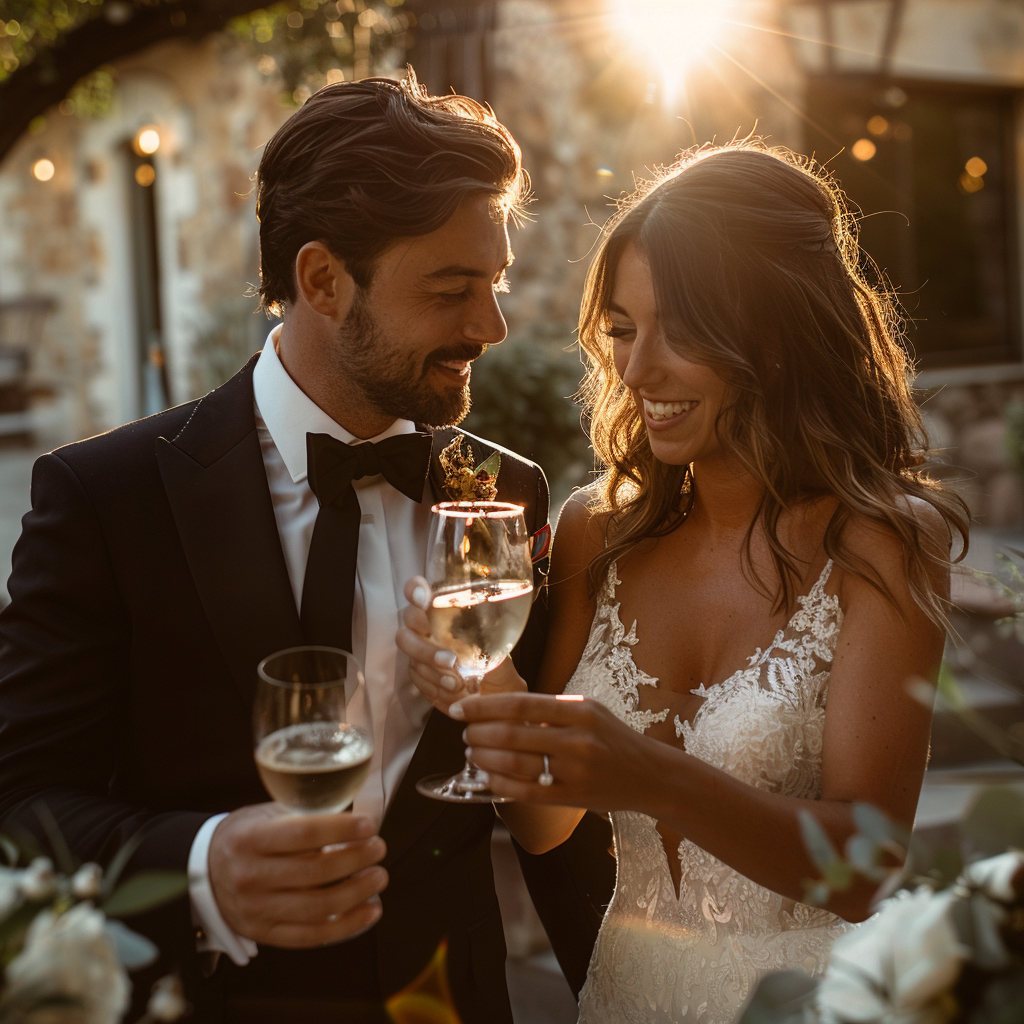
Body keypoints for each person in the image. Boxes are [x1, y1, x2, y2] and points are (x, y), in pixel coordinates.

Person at [0, 73, 610, 1024]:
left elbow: (547, 811)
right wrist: (200, 866)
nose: (489, 327)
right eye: (452, 290)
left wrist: (621, 997)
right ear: (322, 280)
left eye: (492, 283)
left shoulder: (506, 495)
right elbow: (22, 805)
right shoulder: (105, 500)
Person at [398, 144, 970, 1024]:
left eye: (684, 330)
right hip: (627, 992)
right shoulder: (601, 530)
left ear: (779, 332)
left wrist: (653, 775)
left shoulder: (882, 543)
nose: (637, 371)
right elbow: (548, 827)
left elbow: (865, 870)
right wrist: (490, 689)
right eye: (624, 329)